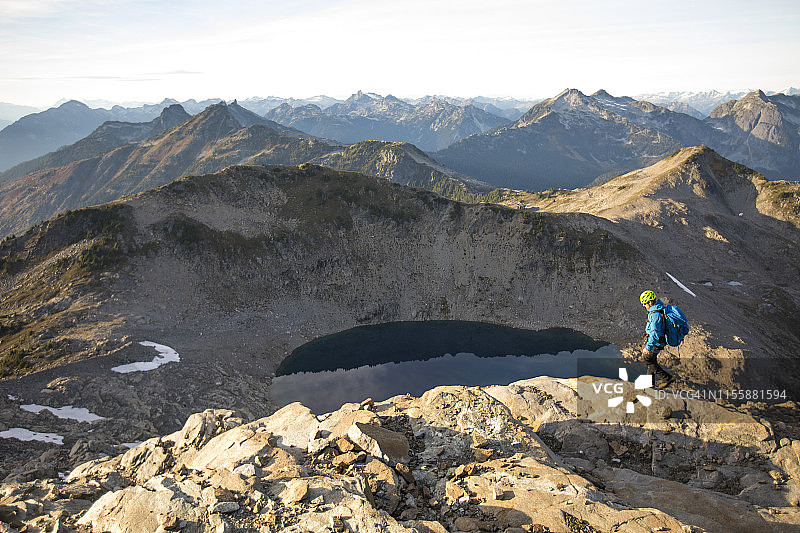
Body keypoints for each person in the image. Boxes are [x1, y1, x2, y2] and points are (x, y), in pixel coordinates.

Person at [639, 290, 676, 389]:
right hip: (658, 341)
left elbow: (655, 333)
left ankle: (666, 378)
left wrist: (648, 347)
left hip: (657, 343)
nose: (644, 305)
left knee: (646, 359)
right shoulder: (656, 310)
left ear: (650, 302)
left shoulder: (655, 314)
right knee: (652, 360)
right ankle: (649, 383)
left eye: (644, 303)